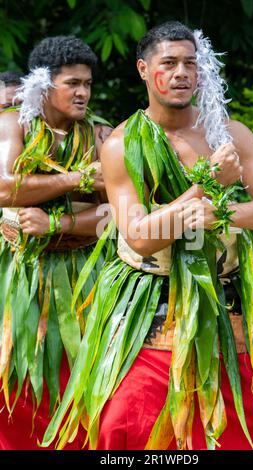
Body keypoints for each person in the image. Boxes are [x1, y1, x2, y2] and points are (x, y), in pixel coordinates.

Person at [41, 22, 253, 451]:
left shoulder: (228, 134)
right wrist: (204, 188)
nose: (182, 73)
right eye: (169, 63)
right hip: (149, 310)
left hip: (226, 305)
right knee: (123, 426)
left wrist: (223, 211)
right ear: (144, 70)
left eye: (190, 63)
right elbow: (139, 236)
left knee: (248, 431)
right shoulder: (123, 144)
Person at [0, 35, 112, 450]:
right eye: (72, 84)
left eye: (87, 84)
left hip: (85, 276)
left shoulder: (102, 136)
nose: (83, 92)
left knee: (79, 376)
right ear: (44, 83)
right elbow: (2, 188)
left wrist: (58, 223)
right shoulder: (15, 124)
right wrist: (76, 179)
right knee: (15, 378)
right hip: (18, 273)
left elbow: (119, 217)